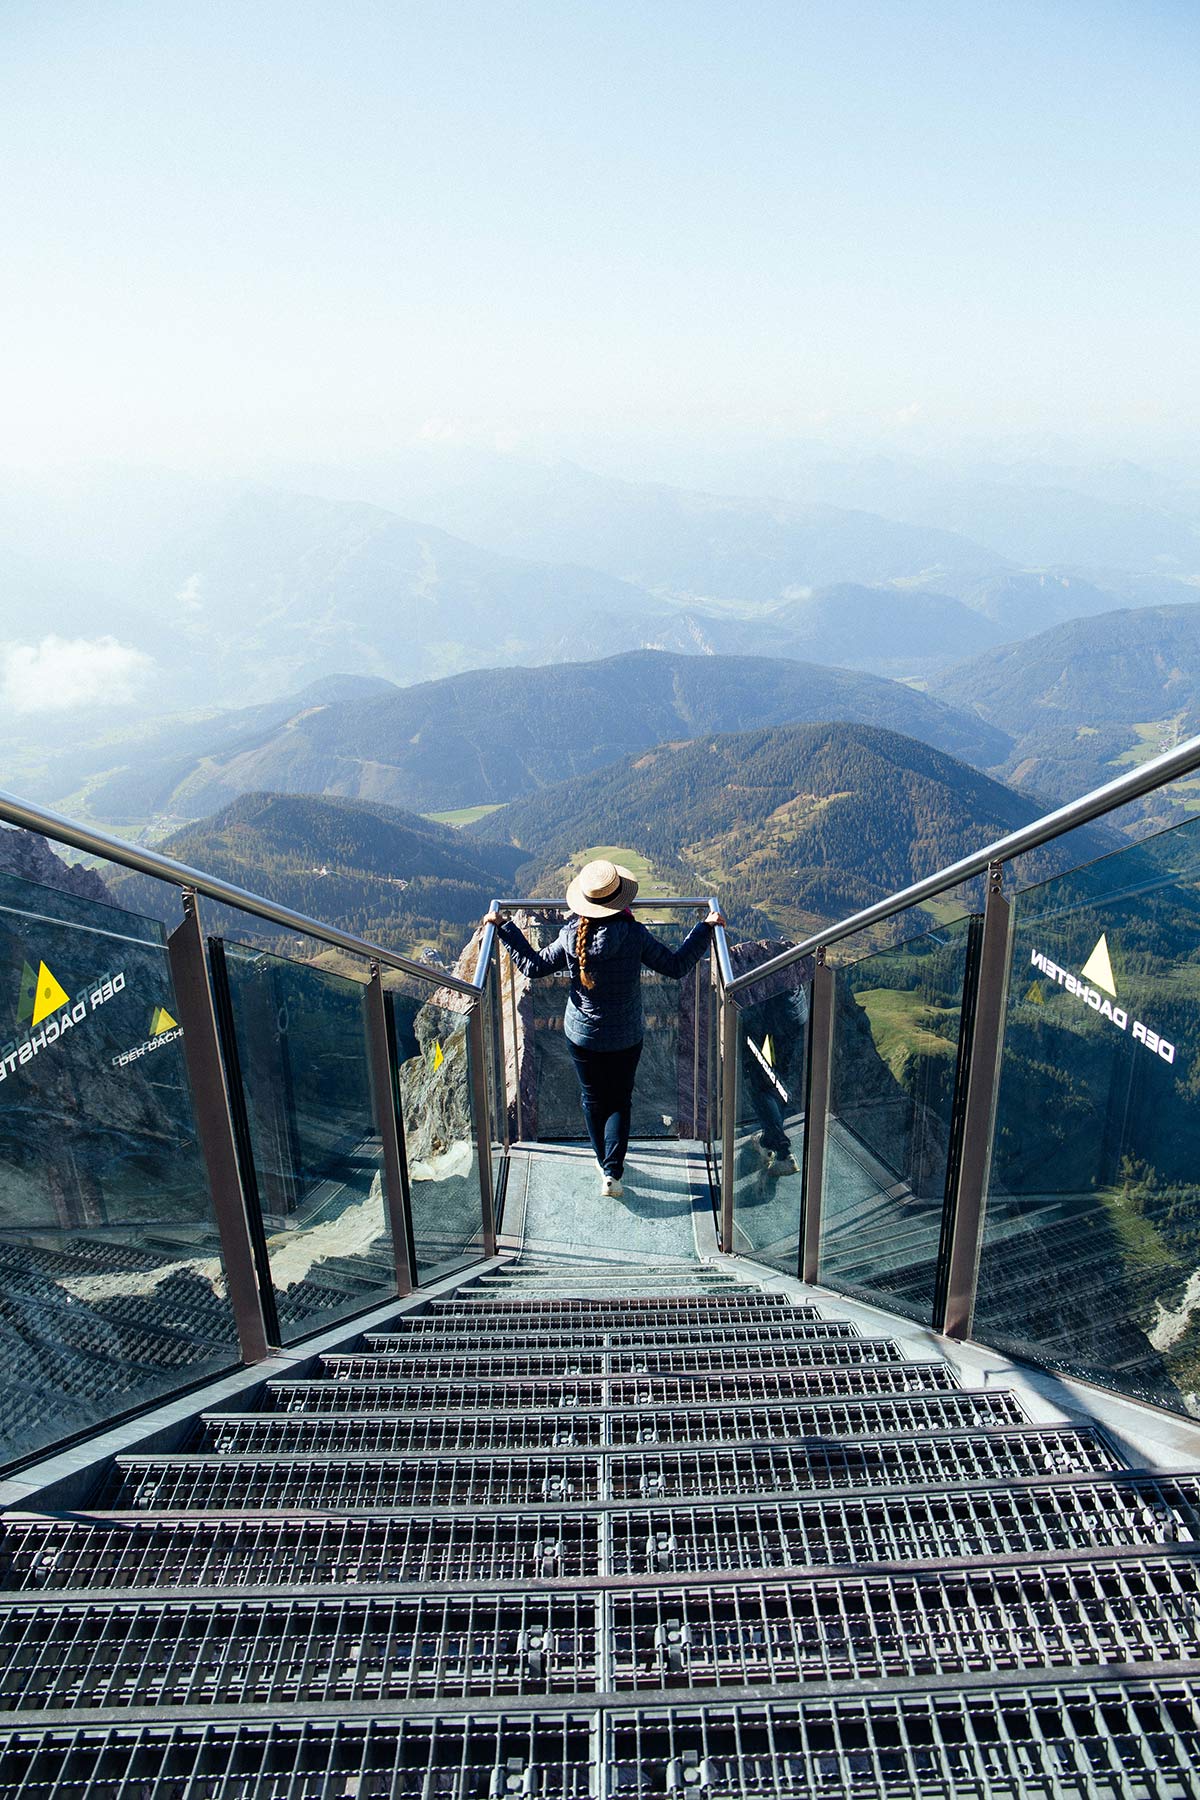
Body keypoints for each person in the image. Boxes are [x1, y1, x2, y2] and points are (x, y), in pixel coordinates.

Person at [485, 860, 724, 1198]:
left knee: (592, 1100)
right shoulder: (633, 935)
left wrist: (505, 927)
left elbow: (533, 966)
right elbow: (676, 966)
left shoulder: (571, 936)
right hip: (626, 1036)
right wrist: (705, 928)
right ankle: (613, 1169)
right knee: (619, 1102)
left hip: (582, 1037)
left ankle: (605, 1167)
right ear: (620, 901)